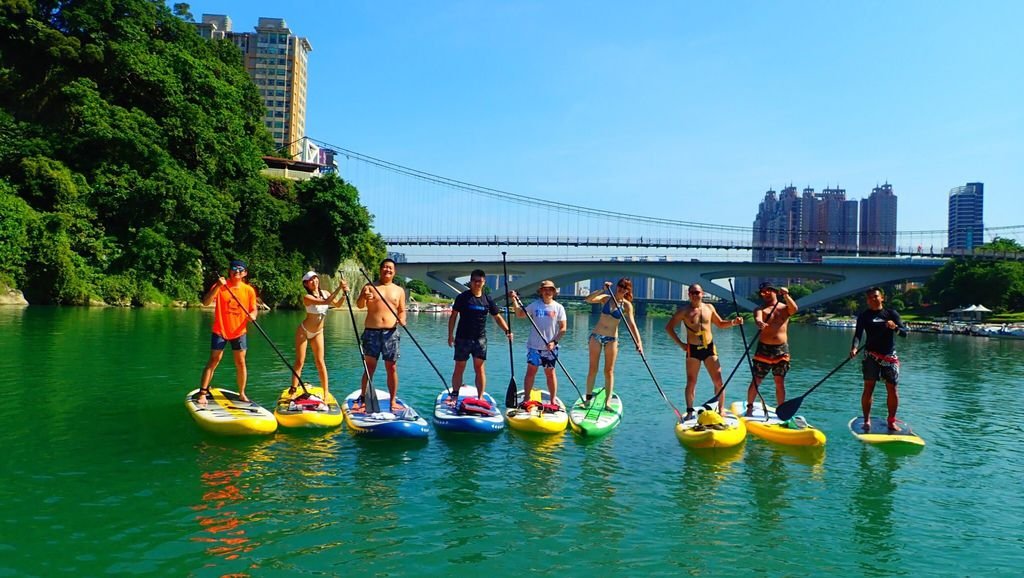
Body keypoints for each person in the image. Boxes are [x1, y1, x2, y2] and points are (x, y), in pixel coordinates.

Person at [665, 283, 744, 419]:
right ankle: (690, 411)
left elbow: (719, 324)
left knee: (719, 381)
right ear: (689, 295)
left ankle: (721, 409)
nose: (695, 295)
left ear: (702, 294)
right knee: (691, 382)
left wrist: (733, 322)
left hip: (709, 348)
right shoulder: (683, 311)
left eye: (698, 292)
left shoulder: (709, 308)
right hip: (693, 350)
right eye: (692, 293)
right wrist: (681, 344)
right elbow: (669, 328)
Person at [195, 259, 258, 406]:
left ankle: (242, 393)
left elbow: (253, 308)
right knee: (214, 360)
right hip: (220, 330)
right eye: (234, 269)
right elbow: (205, 302)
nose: (237, 272)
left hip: (239, 331)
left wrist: (253, 315)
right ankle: (203, 392)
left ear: (245, 273)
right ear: (229, 271)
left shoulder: (248, 290)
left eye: (240, 270)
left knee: (241, 362)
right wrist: (217, 286)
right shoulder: (221, 286)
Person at [447, 269, 513, 403]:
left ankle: (480, 396)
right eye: (475, 281)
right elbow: (453, 316)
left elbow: (497, 317)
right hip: (463, 338)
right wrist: (450, 335)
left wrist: (507, 331)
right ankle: (454, 395)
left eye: (480, 281)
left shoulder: (487, 299)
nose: (477, 283)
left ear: (484, 282)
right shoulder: (462, 297)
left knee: (479, 368)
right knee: (459, 367)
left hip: (480, 340)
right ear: (471, 282)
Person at [850, 286, 908, 431]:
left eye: (875, 296)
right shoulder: (864, 316)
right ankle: (867, 420)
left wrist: (894, 327)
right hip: (871, 356)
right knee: (869, 387)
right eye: (870, 298)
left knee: (892, 389)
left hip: (889, 356)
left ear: (882, 298)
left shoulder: (891, 313)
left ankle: (891, 420)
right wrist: (854, 348)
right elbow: (858, 335)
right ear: (867, 301)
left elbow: (904, 333)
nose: (873, 299)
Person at [355, 258, 407, 412]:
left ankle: (392, 401)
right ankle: (363, 398)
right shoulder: (369, 286)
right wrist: (364, 296)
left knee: (391, 367)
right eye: (384, 267)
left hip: (390, 333)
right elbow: (359, 305)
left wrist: (402, 319)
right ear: (380, 270)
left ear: (394, 271)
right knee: (369, 367)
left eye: (390, 268)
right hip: (371, 332)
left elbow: (402, 310)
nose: (387, 270)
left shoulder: (399, 290)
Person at [583, 279, 643, 411]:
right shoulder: (606, 298)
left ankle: (608, 402)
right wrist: (602, 289)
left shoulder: (627, 305)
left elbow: (632, 325)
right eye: (620, 286)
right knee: (593, 369)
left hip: (612, 339)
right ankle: (587, 400)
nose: (622, 289)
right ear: (617, 286)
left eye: (625, 287)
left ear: (628, 290)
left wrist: (639, 343)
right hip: (596, 336)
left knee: (608, 371)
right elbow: (588, 299)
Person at [290, 271, 349, 399]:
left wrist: (344, 293)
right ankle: (293, 389)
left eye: (315, 278)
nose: (314, 281)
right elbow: (325, 302)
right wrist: (339, 287)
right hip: (304, 331)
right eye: (310, 280)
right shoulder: (307, 297)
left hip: (318, 332)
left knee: (320, 362)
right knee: (300, 361)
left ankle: (326, 392)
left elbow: (337, 304)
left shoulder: (326, 292)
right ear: (306, 284)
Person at [745, 281, 798, 416]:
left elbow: (794, 309)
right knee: (757, 379)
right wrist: (759, 322)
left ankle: (781, 410)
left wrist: (786, 295)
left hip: (781, 350)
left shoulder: (784, 308)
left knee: (779, 381)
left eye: (768, 290)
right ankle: (749, 407)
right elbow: (757, 318)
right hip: (764, 349)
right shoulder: (760, 309)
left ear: (774, 291)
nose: (766, 294)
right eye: (763, 292)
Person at [511, 280, 566, 406]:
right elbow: (520, 314)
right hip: (534, 347)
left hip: (550, 348)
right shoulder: (535, 305)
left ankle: (553, 399)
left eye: (550, 289)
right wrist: (514, 300)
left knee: (550, 374)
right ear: (541, 292)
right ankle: (526, 398)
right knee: (530, 372)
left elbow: (563, 328)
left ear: (554, 292)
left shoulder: (559, 308)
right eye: (545, 289)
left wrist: (554, 341)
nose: (548, 292)